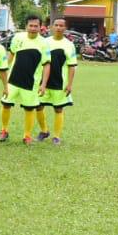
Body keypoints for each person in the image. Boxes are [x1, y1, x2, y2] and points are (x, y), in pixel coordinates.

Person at [1, 15, 51, 144]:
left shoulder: (44, 43)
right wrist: (4, 71)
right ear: (26, 26)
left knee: (29, 108)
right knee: (6, 104)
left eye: (36, 26)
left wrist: (43, 84)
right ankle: (4, 130)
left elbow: (46, 64)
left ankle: (27, 135)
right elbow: (11, 55)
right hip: (12, 80)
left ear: (40, 28)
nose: (33, 28)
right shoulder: (18, 38)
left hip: (31, 83)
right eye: (31, 26)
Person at [41, 17, 77, 145]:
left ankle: (56, 136)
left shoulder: (69, 45)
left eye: (61, 26)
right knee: (38, 106)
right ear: (51, 27)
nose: (58, 28)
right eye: (56, 25)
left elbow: (72, 66)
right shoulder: (44, 42)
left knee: (58, 109)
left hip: (59, 83)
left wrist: (70, 84)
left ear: (65, 28)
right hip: (42, 82)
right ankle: (44, 131)